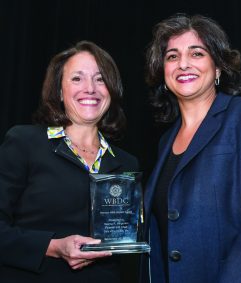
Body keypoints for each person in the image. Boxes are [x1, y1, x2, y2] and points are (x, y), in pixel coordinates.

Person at [141, 13, 241, 283]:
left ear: (218, 67)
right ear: (163, 72)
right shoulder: (165, 142)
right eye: (172, 56)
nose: (183, 64)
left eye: (197, 53)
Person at [0, 40, 139, 283]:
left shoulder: (127, 163)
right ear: (60, 91)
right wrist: (53, 246)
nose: (90, 88)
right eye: (77, 79)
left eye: (100, 79)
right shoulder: (24, 143)